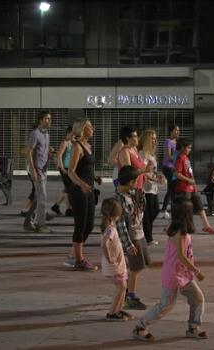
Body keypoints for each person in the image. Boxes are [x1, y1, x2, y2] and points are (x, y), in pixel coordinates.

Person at [132, 196, 208, 342]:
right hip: (174, 274)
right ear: (187, 213)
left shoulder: (178, 228)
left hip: (183, 274)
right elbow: (180, 256)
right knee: (165, 305)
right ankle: (140, 327)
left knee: (197, 298)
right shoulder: (179, 231)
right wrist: (197, 272)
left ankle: (193, 327)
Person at [65, 118, 101, 270]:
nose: (92, 128)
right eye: (89, 126)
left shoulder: (88, 146)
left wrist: (95, 177)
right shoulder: (77, 147)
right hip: (79, 190)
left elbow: (85, 169)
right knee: (80, 225)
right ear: (82, 129)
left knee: (90, 225)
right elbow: (71, 172)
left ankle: (73, 255)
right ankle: (79, 260)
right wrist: (82, 185)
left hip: (89, 189)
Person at [115, 166, 150, 310]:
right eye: (136, 180)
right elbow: (120, 224)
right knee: (136, 267)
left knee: (141, 264)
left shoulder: (132, 193)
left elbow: (142, 208)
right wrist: (128, 244)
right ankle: (130, 297)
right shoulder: (119, 199)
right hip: (132, 236)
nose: (138, 183)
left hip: (139, 233)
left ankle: (127, 291)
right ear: (130, 182)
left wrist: (141, 194)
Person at [100, 198, 134, 321]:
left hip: (118, 265)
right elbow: (104, 243)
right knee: (121, 288)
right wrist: (110, 257)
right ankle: (112, 313)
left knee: (123, 287)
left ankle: (118, 310)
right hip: (114, 266)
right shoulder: (111, 229)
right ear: (117, 215)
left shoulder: (110, 227)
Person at [174, 139, 214, 234]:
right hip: (184, 188)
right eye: (188, 147)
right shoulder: (180, 158)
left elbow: (190, 174)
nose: (190, 149)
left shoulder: (186, 158)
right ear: (182, 148)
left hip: (192, 188)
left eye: (190, 148)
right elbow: (177, 173)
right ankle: (171, 226)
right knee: (183, 209)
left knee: (200, 206)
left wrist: (194, 186)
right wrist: (189, 180)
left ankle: (207, 225)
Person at [24, 111, 52, 233]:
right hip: (37, 170)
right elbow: (29, 152)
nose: (49, 121)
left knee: (38, 198)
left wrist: (49, 154)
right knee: (43, 197)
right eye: (47, 118)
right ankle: (41, 224)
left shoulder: (47, 134)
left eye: (50, 119)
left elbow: (42, 151)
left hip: (44, 169)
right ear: (40, 120)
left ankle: (29, 222)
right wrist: (33, 170)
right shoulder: (35, 133)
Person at [140, 130, 165, 246]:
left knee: (154, 211)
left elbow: (152, 170)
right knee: (149, 212)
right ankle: (148, 237)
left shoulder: (152, 154)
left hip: (153, 188)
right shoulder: (142, 154)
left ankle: (144, 233)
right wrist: (156, 179)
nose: (155, 141)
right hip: (146, 188)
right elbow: (143, 172)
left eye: (155, 138)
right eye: (152, 138)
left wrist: (158, 176)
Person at [51, 126, 74, 217]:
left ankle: (67, 209)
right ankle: (58, 206)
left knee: (67, 189)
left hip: (69, 168)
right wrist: (62, 168)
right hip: (64, 168)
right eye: (72, 134)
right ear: (68, 133)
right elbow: (59, 156)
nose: (73, 136)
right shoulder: (64, 143)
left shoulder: (72, 143)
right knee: (68, 188)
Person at [117, 125, 148, 190]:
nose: (138, 138)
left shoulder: (134, 149)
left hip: (138, 188)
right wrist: (144, 170)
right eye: (135, 136)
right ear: (128, 138)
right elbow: (128, 174)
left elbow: (140, 167)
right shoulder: (125, 152)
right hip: (130, 190)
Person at [160, 125, 180, 219]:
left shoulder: (177, 142)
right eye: (175, 130)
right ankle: (166, 210)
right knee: (172, 189)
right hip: (168, 168)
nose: (177, 132)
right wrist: (179, 160)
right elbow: (168, 156)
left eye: (178, 130)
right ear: (171, 132)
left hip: (174, 168)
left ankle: (167, 210)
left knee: (172, 189)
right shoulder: (168, 141)